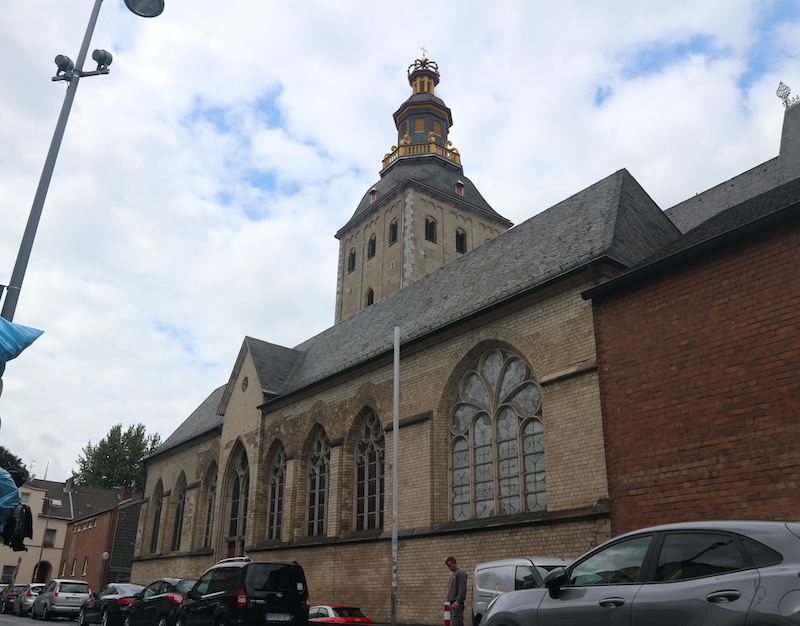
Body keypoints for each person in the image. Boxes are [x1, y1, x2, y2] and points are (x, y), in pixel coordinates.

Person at [445, 556, 467, 626]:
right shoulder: (454, 574)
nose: (449, 567)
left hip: (457, 604)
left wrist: (458, 601)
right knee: (455, 623)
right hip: (452, 604)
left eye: (450, 565)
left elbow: (462, 589)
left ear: (454, 562)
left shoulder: (460, 573)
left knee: (458, 623)